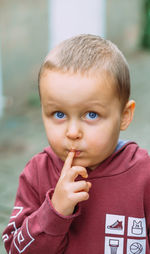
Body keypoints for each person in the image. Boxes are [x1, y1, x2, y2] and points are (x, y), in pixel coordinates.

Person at [2, 34, 150, 254]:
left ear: (125, 116)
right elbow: (16, 249)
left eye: (91, 114)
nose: (72, 133)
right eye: (59, 114)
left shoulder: (143, 174)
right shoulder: (37, 173)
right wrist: (54, 211)